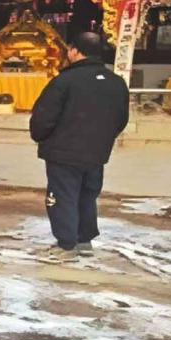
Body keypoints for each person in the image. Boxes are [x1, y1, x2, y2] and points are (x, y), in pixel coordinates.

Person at [29, 32, 129, 262]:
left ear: (74, 51)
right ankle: (84, 240)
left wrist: (41, 137)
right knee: (87, 195)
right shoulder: (116, 82)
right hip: (97, 151)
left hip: (64, 151)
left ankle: (66, 245)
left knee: (62, 196)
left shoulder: (64, 81)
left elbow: (44, 117)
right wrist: (104, 137)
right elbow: (121, 118)